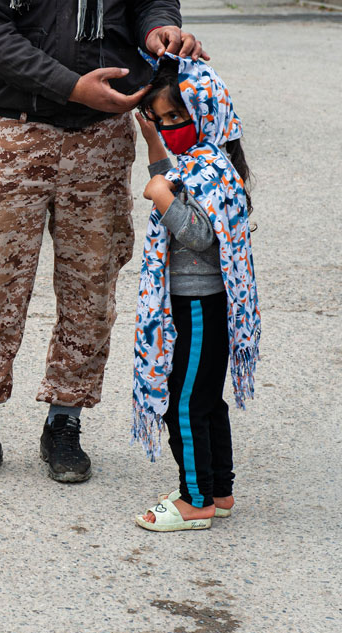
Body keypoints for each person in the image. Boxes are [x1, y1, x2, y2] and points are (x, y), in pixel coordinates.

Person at [0, 0, 208, 485]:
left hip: (100, 138)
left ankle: (65, 420)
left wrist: (161, 28)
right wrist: (71, 87)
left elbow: (149, 3)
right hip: (17, 132)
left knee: (91, 287)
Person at [131, 54, 260, 531]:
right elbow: (172, 172)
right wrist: (153, 142)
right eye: (162, 119)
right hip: (197, 303)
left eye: (176, 118)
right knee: (206, 399)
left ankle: (195, 501)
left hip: (200, 305)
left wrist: (162, 197)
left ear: (206, 114)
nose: (169, 127)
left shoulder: (213, 170)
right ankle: (218, 491)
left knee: (184, 403)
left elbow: (201, 235)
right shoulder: (204, 161)